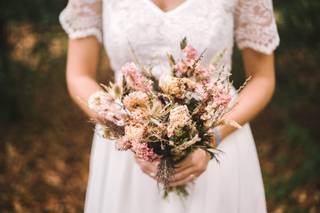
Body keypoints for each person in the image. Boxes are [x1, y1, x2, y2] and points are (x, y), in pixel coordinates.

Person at [59, 0, 279, 212]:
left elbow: (262, 78)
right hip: (127, 155)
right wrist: (131, 132)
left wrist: (212, 139)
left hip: (220, 144)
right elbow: (79, 75)